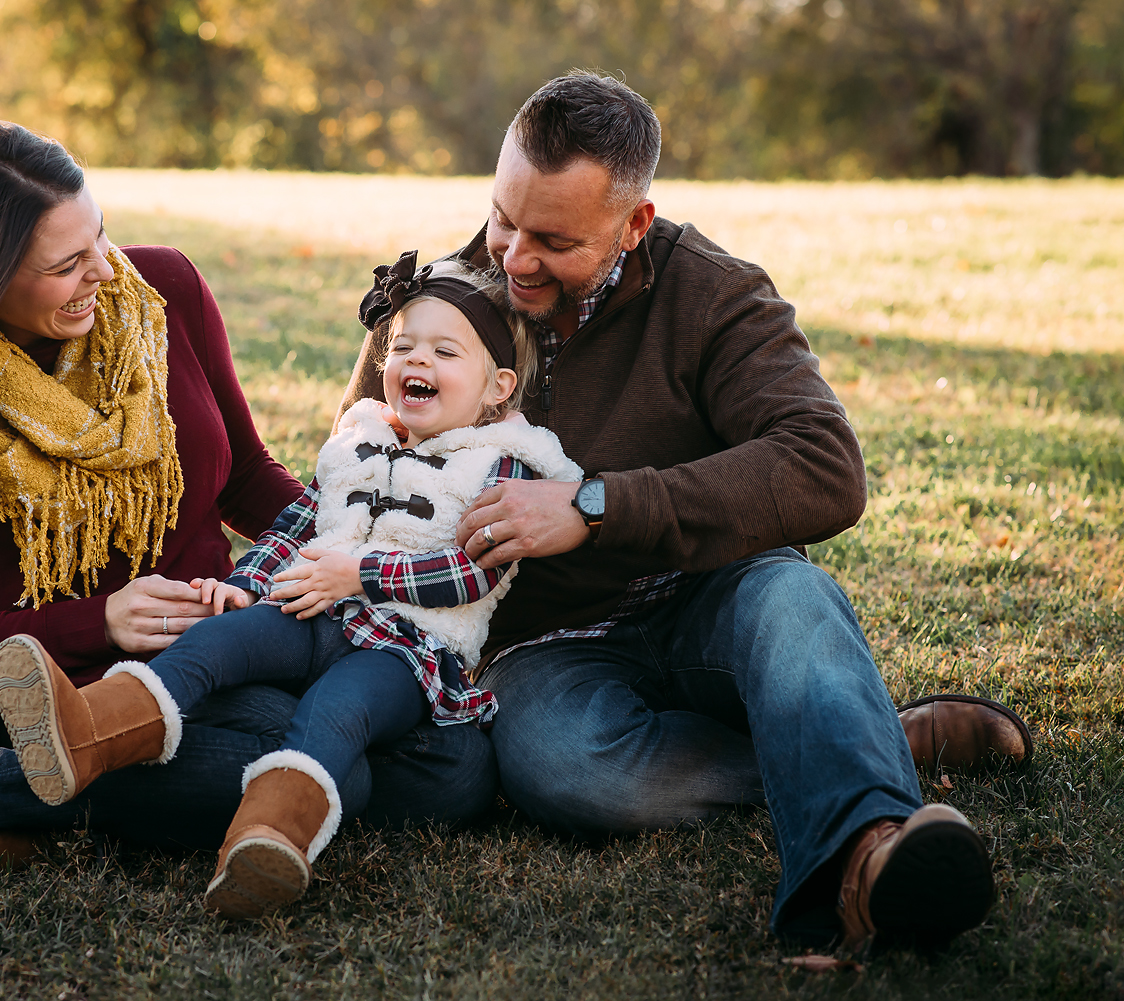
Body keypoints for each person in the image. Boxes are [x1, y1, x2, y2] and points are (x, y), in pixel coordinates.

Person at [337, 73, 1032, 950]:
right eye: (503, 219)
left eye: (554, 239)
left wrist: (595, 504)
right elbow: (357, 475)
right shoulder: (437, 306)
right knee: (566, 770)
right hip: (545, 644)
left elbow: (826, 466)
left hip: (711, 591)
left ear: (634, 225)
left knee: (794, 604)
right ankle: (867, 741)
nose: (512, 259)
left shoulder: (715, 294)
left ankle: (870, 852)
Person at [0, 122, 498, 887]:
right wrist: (101, 618)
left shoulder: (162, 295)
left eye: (100, 236)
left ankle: (14, 801)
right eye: (66, 264)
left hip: (225, 647)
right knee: (329, 778)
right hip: (69, 688)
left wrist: (353, 559)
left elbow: (246, 476)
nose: (103, 270)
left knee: (450, 770)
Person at [0, 252, 582, 918]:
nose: (417, 361)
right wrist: (245, 583)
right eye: (403, 345)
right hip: (309, 608)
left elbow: (472, 570)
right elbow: (294, 523)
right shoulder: (358, 441)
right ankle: (89, 729)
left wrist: (361, 572)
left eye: (445, 351)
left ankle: (267, 839)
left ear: (498, 385)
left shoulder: (499, 466)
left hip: (402, 652)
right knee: (217, 642)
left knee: (337, 710)